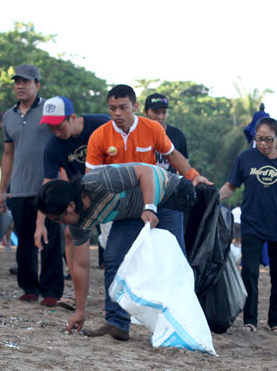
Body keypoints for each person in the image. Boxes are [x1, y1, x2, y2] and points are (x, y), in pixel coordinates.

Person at [37, 163, 196, 340]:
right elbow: (81, 265)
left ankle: (183, 326)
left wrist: (149, 207)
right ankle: (117, 324)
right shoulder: (77, 223)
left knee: (172, 263)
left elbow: (145, 172)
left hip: (166, 196)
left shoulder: (100, 181)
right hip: (130, 212)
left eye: (59, 218)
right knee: (113, 260)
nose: (61, 223)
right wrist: (80, 311)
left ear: (72, 205)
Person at [86, 85, 211, 254]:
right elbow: (91, 176)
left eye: (123, 108)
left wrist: (193, 176)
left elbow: (172, 154)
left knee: (160, 251)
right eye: (112, 108)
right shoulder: (99, 136)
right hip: (117, 203)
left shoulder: (152, 128)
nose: (117, 113)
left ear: (135, 107)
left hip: (150, 197)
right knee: (115, 256)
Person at [218, 117, 277, 332]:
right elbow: (231, 186)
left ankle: (276, 322)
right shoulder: (245, 158)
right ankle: (250, 320)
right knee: (249, 272)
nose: (263, 144)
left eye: (268, 140)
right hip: (252, 224)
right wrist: (214, 197)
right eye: (259, 139)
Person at [0, 64, 63, 305]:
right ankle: (29, 287)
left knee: (51, 238)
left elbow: (62, 142)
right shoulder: (8, 116)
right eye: (17, 81)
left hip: (49, 186)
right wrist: (2, 190)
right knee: (24, 240)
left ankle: (52, 291)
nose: (20, 86)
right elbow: (8, 154)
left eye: (26, 81)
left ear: (37, 85)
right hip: (20, 188)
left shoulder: (49, 109)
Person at [35, 95, 110, 309]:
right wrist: (40, 224)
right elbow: (47, 185)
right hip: (78, 198)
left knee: (112, 239)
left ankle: (115, 295)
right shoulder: (53, 146)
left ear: (73, 117)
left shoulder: (101, 124)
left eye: (59, 127)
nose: (56, 133)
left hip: (109, 191)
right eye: (51, 129)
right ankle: (78, 293)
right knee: (69, 234)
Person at [142, 93, 188, 173]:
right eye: (155, 112)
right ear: (145, 112)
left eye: (164, 112)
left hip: (170, 182)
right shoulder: (137, 133)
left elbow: (185, 165)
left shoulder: (177, 134)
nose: (160, 116)